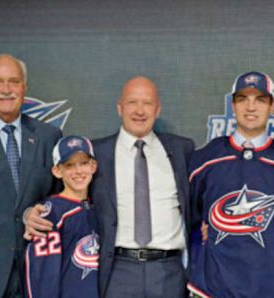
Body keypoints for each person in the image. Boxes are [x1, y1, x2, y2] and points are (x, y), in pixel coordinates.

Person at [25, 76, 194, 298]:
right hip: (117, 269)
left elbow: (202, 197)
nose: (140, 111)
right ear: (119, 108)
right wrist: (30, 212)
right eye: (132, 102)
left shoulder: (182, 149)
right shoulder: (96, 153)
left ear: (158, 109)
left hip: (168, 270)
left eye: (147, 103)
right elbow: (62, 193)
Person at [187, 71, 274, 297]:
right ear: (233, 105)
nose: (250, 107)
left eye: (260, 100)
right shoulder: (204, 159)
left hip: (268, 289)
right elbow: (183, 219)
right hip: (211, 290)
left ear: (273, 106)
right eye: (243, 99)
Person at [0, 53, 61, 298]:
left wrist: (34, 213)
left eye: (13, 81)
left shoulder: (49, 136)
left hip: (35, 270)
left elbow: (59, 198)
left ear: (25, 88)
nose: (5, 90)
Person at [25, 135, 99, 298]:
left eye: (84, 163)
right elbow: (42, 275)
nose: (78, 171)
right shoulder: (50, 213)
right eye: (69, 165)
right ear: (57, 171)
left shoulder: (99, 208)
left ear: (93, 166)